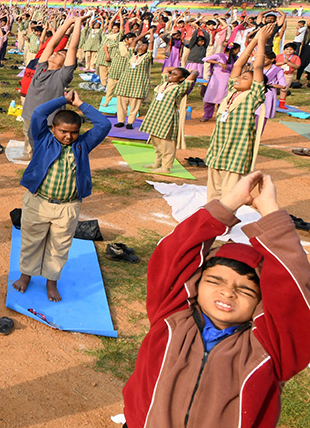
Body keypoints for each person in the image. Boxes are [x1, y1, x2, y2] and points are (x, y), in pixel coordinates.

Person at [121, 171, 310, 428]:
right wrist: (228, 203)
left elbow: (294, 295)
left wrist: (272, 212)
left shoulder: (270, 349)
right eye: (215, 281)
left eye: (245, 290)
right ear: (196, 284)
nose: (228, 292)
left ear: (260, 303)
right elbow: (173, 254)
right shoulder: (171, 317)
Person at [12, 89, 110, 302]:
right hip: (38, 202)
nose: (68, 136)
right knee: (31, 241)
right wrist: (63, 100)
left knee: (60, 245)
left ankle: (51, 281)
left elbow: (104, 125)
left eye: (74, 132)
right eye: (63, 131)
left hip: (67, 206)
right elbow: (38, 113)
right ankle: (26, 275)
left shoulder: (83, 144)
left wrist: (80, 104)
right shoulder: (42, 139)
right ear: (53, 128)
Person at [204, 24, 271, 202]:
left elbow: (257, 68)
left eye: (245, 78)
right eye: (240, 77)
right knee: (213, 182)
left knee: (229, 187)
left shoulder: (253, 95)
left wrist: (262, 42)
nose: (239, 78)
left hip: (237, 146)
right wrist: (253, 41)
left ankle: (224, 215)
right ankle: (211, 211)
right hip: (219, 143)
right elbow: (239, 64)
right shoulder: (232, 93)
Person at [21, 16, 80, 158]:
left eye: (60, 54)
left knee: (49, 154)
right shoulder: (41, 69)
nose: (54, 53)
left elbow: (72, 47)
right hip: (30, 117)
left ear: (65, 63)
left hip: (49, 122)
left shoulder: (61, 76)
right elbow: (50, 45)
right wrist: (67, 22)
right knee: (35, 149)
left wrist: (77, 23)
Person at [140, 66, 195, 174]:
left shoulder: (179, 88)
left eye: (175, 74)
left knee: (167, 143)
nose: (171, 75)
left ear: (182, 79)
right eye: (172, 73)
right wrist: (177, 69)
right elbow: (166, 70)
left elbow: (191, 77)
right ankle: (158, 162)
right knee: (156, 141)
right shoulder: (164, 83)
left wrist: (194, 72)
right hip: (155, 116)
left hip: (167, 117)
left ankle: (166, 167)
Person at [114, 35, 153, 129]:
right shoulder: (131, 55)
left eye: (144, 45)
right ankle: (121, 121)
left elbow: (151, 42)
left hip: (137, 84)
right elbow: (134, 40)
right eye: (140, 44)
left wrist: (150, 33)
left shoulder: (146, 57)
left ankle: (130, 122)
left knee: (134, 105)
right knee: (121, 103)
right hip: (125, 82)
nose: (141, 45)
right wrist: (143, 34)